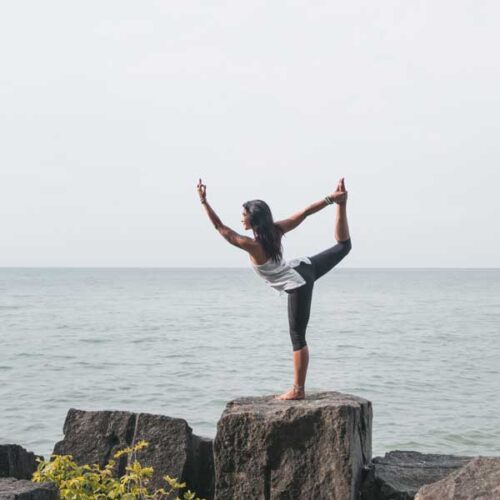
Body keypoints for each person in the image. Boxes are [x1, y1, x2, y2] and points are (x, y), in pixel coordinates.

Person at [196, 177, 351, 400]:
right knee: (344, 247)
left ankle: (298, 390)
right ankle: (342, 204)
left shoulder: (252, 245)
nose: (241, 218)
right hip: (305, 267)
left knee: (298, 336)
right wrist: (332, 199)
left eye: (244, 215)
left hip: (298, 283)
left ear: (253, 218)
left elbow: (220, 228)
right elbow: (305, 213)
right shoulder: (276, 230)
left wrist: (203, 201)